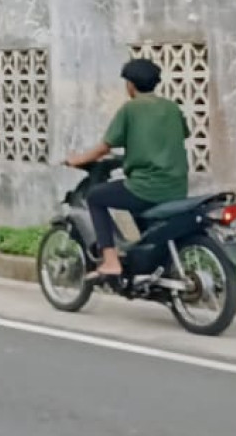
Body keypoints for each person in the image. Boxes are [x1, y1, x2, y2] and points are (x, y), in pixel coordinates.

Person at [65, 58, 191, 278]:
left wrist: (78, 159)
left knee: (96, 197)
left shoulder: (131, 109)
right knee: (136, 206)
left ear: (130, 85)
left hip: (146, 188)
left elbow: (105, 147)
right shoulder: (172, 108)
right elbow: (174, 136)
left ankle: (111, 261)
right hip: (177, 187)